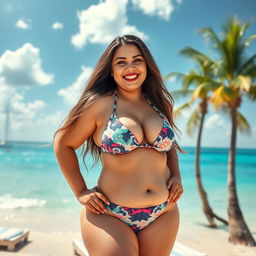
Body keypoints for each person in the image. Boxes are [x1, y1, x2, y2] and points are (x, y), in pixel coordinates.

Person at [54, 34, 183, 256]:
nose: (130, 67)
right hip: (110, 214)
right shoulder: (99, 104)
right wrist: (81, 191)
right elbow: (63, 144)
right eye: (121, 62)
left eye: (137, 60)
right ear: (111, 70)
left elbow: (169, 146)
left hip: (164, 212)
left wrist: (177, 176)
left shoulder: (160, 104)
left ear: (147, 65)